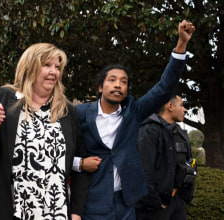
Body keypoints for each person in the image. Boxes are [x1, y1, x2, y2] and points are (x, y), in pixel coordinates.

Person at [75, 20, 195, 220]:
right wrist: (79, 163)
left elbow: (164, 88)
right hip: (93, 203)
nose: (118, 85)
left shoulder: (133, 112)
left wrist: (181, 44)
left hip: (127, 205)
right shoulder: (79, 113)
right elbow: (60, 149)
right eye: (112, 80)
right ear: (99, 87)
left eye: (123, 82)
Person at [0, 43, 94, 220]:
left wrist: (76, 212)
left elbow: (79, 162)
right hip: (6, 210)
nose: (54, 72)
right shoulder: (5, 97)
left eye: (57, 67)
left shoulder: (67, 111)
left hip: (54, 213)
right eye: (47, 65)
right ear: (30, 67)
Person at [136, 94, 196, 220]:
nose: (185, 109)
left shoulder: (180, 133)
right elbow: (143, 170)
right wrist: (152, 201)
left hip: (177, 202)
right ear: (170, 106)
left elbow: (187, 164)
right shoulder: (149, 130)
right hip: (155, 207)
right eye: (181, 105)